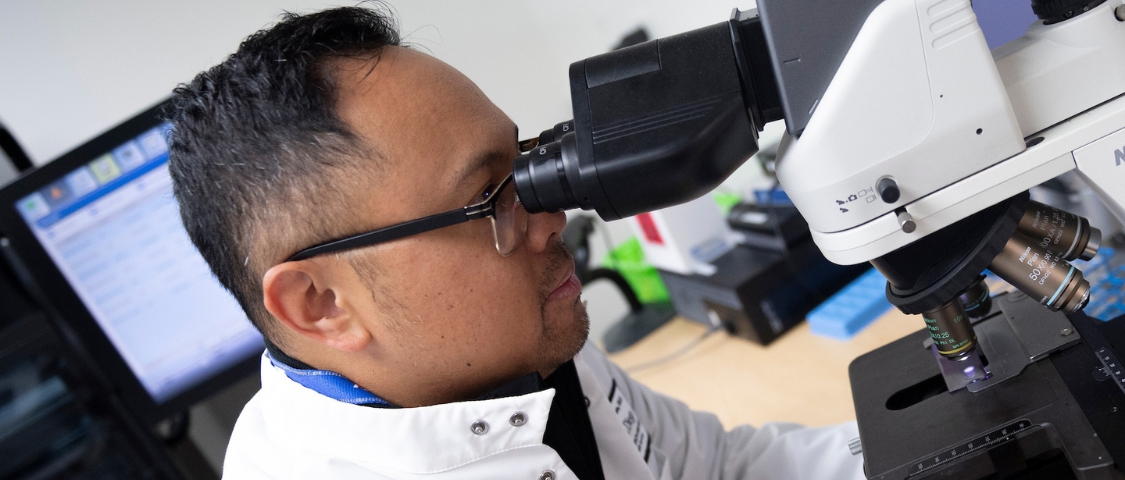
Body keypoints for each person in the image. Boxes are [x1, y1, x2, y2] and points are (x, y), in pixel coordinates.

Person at [168, 6, 864, 480]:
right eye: (490, 198)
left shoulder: (508, 353)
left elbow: (713, 468)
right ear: (321, 304)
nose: (550, 219)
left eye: (523, 162)